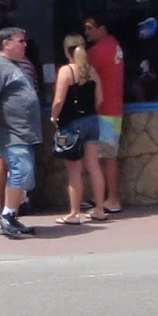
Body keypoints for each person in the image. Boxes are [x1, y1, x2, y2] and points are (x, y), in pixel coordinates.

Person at [0, 27, 43, 239]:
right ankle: (7, 216)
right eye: (20, 41)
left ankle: (11, 215)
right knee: (21, 170)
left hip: (24, 133)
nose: (25, 45)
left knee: (24, 174)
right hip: (10, 133)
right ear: (6, 43)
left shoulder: (17, 65)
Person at [50, 33, 107, 224]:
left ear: (67, 51)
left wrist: (54, 117)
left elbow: (59, 100)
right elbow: (99, 98)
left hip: (72, 122)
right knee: (94, 166)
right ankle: (99, 209)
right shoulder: (91, 71)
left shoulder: (66, 71)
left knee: (74, 170)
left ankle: (74, 213)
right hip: (92, 120)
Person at [82, 15, 126, 215]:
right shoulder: (114, 44)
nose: (87, 32)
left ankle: (113, 199)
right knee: (105, 156)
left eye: (90, 27)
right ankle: (103, 196)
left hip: (104, 110)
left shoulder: (96, 52)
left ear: (102, 27)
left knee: (107, 157)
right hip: (113, 108)